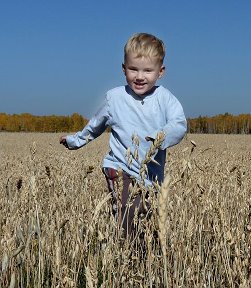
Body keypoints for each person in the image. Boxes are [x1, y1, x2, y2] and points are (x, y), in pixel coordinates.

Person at [60, 32, 187, 238]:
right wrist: (75, 141)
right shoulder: (114, 98)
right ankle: (126, 254)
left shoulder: (165, 99)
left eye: (147, 70)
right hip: (120, 168)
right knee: (128, 216)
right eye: (133, 69)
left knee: (147, 215)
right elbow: (95, 125)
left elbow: (179, 125)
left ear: (160, 72)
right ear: (123, 69)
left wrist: (160, 137)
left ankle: (142, 253)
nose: (139, 76)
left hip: (151, 176)